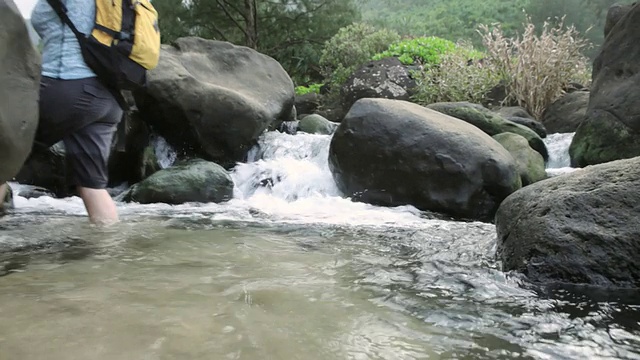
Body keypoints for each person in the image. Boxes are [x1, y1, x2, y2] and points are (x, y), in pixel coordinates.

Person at [31, 0, 122, 225]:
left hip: (67, 86)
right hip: (107, 97)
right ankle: (109, 254)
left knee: (4, 157)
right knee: (92, 185)